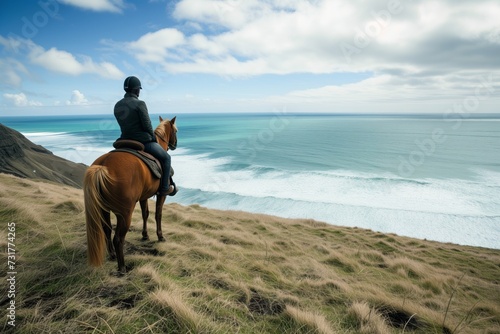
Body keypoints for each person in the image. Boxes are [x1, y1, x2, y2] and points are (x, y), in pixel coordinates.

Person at [114, 76, 174, 196]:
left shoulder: (117, 105)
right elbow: (147, 125)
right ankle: (164, 188)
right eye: (139, 89)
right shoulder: (140, 104)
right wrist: (153, 138)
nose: (139, 92)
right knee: (166, 158)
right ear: (136, 90)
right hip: (142, 142)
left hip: (124, 140)